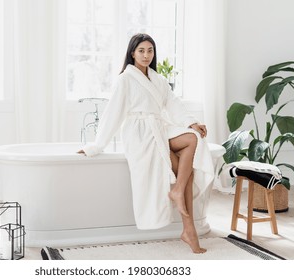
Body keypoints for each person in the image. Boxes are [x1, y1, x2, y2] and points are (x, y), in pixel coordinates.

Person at [78, 33, 214, 254]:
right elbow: (113, 113)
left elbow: (174, 104)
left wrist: (192, 122)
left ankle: (179, 196)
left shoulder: (157, 79)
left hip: (159, 127)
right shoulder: (125, 79)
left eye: (150, 50)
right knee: (187, 174)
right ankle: (189, 229)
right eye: (141, 50)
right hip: (139, 132)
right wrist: (96, 145)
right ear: (132, 53)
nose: (146, 55)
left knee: (192, 137)